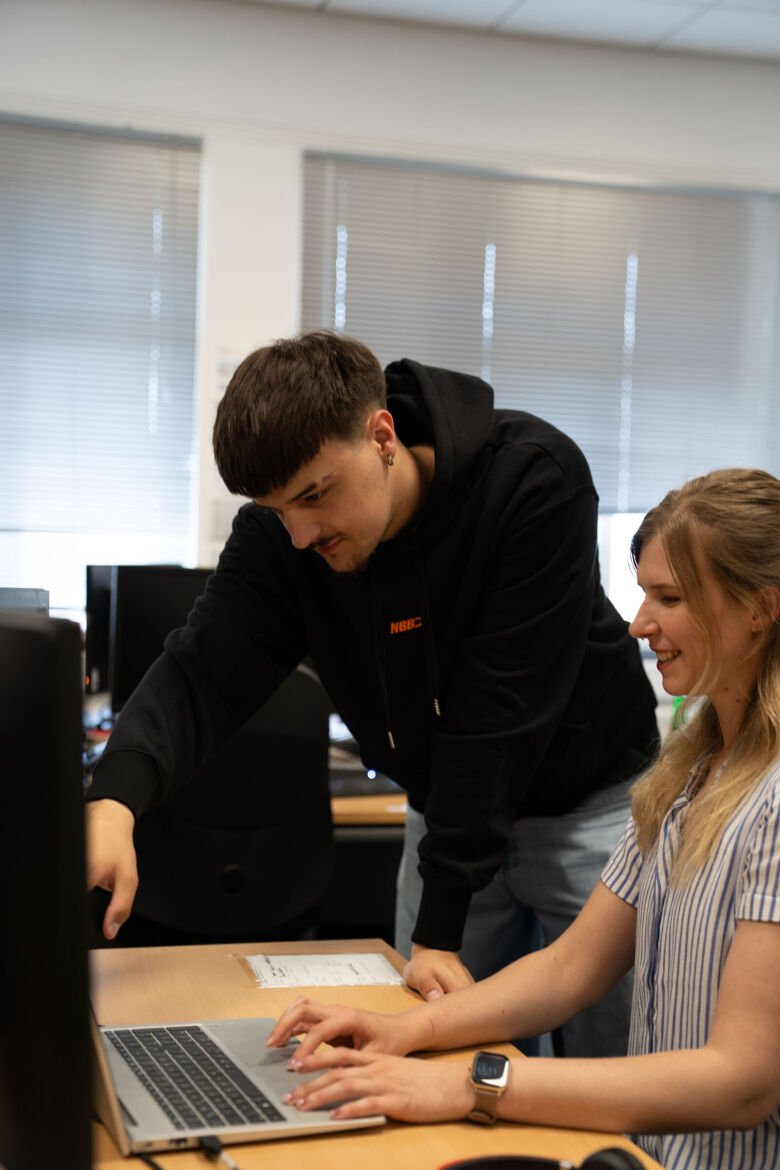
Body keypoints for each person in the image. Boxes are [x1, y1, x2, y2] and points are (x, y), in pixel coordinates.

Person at [85, 331, 657, 1056]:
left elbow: (495, 726)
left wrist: (440, 927)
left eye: (315, 496)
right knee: (426, 1054)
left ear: (381, 435)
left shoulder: (532, 481)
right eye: (276, 509)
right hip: (444, 816)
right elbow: (202, 671)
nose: (299, 536)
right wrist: (115, 799)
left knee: (617, 1068)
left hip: (589, 808)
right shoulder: (285, 536)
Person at [263, 467, 780, 1170]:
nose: (638, 624)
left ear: (760, 607)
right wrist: (404, 1031)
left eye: (670, 597)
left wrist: (468, 1081)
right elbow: (571, 967)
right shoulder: (686, 774)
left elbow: (741, 1082)